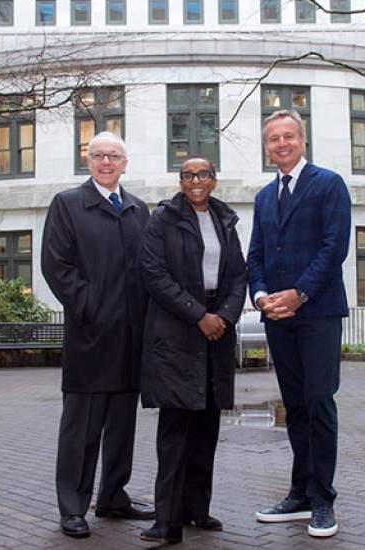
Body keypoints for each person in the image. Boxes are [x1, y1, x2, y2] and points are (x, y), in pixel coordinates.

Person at [40, 132, 154, 538]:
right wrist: (90, 307)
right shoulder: (68, 205)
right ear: (87, 161)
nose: (106, 162)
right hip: (90, 336)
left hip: (131, 338)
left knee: (122, 426)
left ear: (126, 163)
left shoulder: (140, 210)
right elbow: (57, 266)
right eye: (98, 155)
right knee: (81, 429)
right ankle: (73, 506)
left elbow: (151, 269)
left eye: (114, 156)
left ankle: (113, 497)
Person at [246, 109, 352, 538]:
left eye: (289, 136)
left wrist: (298, 294)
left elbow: (334, 248)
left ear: (303, 141)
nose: (282, 144)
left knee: (319, 401)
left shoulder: (328, 184)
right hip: (278, 317)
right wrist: (261, 295)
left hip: (318, 312)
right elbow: (255, 255)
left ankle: (323, 500)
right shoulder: (263, 197)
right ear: (267, 146)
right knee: (295, 406)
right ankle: (300, 493)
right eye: (274, 139)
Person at [138, 156, 247, 544]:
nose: (195, 180)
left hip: (216, 332)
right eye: (187, 175)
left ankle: (196, 510)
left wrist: (225, 316)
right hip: (177, 332)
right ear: (180, 181)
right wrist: (199, 314)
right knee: (175, 430)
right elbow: (153, 274)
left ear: (214, 180)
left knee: (206, 428)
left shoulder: (226, 220)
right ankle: (166, 521)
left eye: (202, 174)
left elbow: (238, 275)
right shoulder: (162, 219)